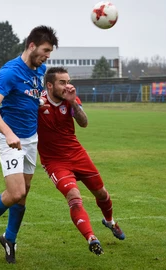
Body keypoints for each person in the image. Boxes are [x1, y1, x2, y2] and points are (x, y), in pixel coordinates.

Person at [0, 25, 59, 264]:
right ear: (31, 45)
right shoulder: (10, 72)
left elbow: (33, 98)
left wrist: (41, 105)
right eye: (45, 50)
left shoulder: (40, 70)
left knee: (24, 194)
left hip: (31, 139)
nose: (47, 56)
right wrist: (8, 133)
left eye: (50, 51)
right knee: (16, 192)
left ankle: (10, 238)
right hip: (10, 140)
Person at [37, 67, 125, 256]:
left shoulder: (71, 99)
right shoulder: (38, 102)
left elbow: (84, 123)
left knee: (101, 193)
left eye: (68, 81)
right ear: (50, 85)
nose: (67, 86)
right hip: (54, 162)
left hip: (77, 155)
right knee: (74, 198)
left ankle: (109, 221)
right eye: (62, 82)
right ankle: (91, 238)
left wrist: (73, 104)